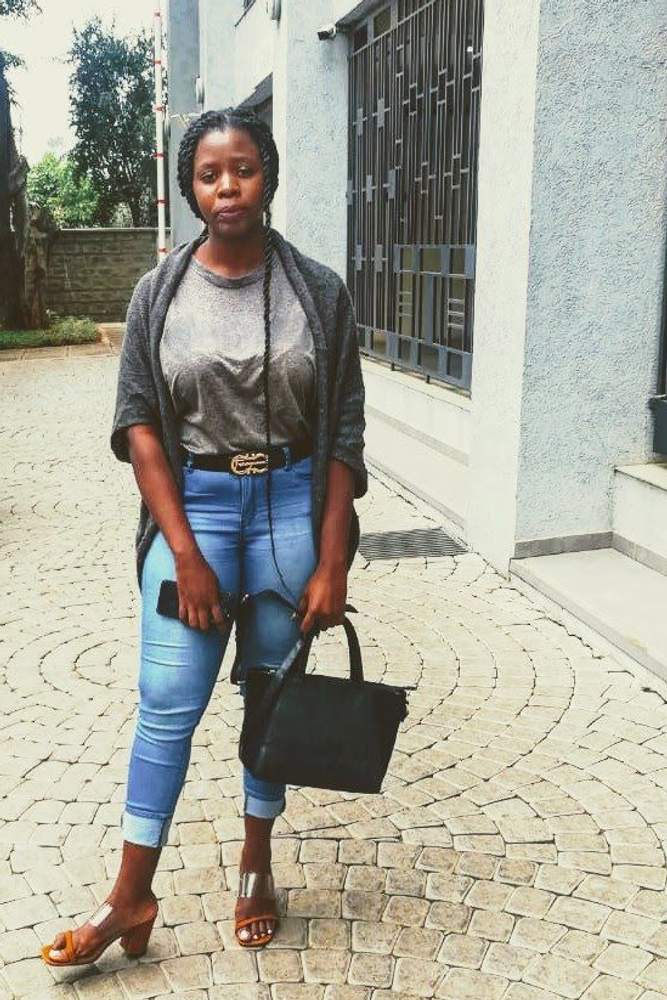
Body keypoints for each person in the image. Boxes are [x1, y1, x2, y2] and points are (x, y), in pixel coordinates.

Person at [40, 106, 367, 965]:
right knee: (166, 704)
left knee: (271, 699)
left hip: (291, 506)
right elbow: (139, 425)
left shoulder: (318, 292)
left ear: (268, 176)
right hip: (198, 511)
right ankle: (130, 896)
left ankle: (256, 866)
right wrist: (182, 552)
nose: (228, 187)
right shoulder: (159, 293)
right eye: (210, 174)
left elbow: (344, 434)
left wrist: (332, 560)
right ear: (190, 188)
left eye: (243, 169)